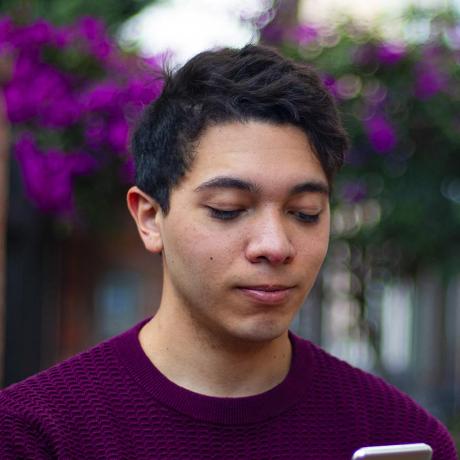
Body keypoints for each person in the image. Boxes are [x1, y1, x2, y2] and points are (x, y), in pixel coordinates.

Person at [0, 45, 456, 459]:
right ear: (150, 218)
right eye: (229, 209)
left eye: (305, 213)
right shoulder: (34, 435)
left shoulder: (397, 436)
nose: (275, 246)